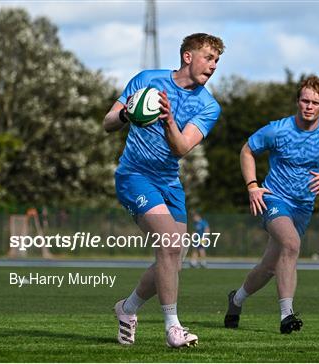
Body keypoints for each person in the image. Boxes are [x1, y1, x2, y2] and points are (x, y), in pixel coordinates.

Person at [103, 33, 225, 348]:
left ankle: (127, 309)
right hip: (134, 176)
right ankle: (173, 328)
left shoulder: (209, 106)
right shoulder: (147, 80)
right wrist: (127, 114)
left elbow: (182, 146)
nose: (213, 66)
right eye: (208, 58)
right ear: (188, 56)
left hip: (169, 182)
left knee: (173, 257)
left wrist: (169, 119)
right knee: (170, 246)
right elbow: (108, 121)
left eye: (216, 61)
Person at [224, 75, 319, 334]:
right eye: (304, 100)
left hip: (303, 207)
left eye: (315, 103)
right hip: (273, 198)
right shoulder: (278, 129)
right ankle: (287, 315)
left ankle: (236, 299)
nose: (309, 106)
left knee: (270, 266)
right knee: (292, 244)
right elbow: (247, 150)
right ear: (297, 101)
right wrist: (252, 186)